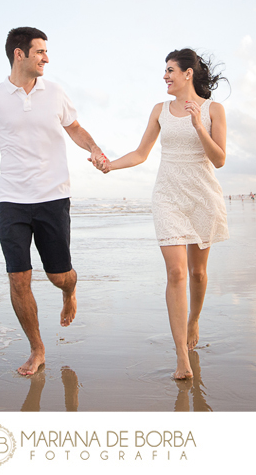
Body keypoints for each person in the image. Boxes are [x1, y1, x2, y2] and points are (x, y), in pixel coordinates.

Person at [0, 27, 106, 376]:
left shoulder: (56, 93)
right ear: (19, 54)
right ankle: (37, 348)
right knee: (18, 278)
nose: (46, 58)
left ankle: (70, 290)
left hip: (53, 197)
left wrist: (94, 148)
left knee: (58, 276)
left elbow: (75, 128)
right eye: (40, 52)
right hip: (11, 200)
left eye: (46, 52)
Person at [96, 49, 228, 379]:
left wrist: (199, 125)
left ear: (188, 74)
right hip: (168, 196)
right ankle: (181, 357)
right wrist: (110, 165)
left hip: (202, 196)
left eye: (170, 70)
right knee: (176, 274)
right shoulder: (160, 110)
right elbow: (141, 154)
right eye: (164, 71)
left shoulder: (214, 110)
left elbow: (220, 159)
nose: (165, 76)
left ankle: (193, 319)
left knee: (198, 274)